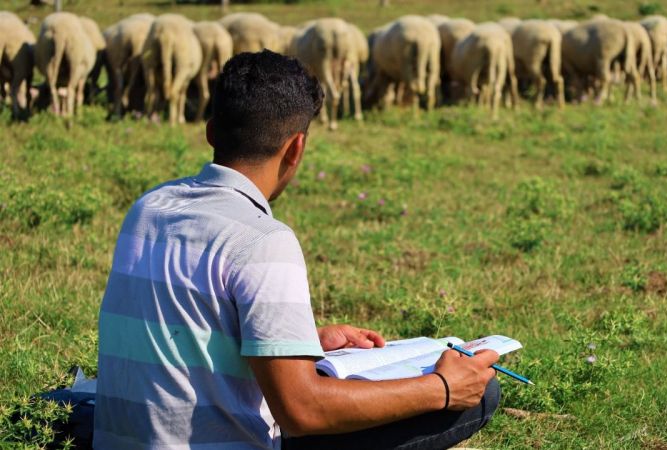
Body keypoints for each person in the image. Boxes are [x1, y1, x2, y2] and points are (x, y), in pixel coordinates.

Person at [94, 50, 500, 450]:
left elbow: (189, 336)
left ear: (211, 132)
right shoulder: (263, 240)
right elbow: (302, 412)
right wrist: (442, 387)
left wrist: (304, 343)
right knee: (480, 397)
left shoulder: (148, 208)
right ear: (295, 149)